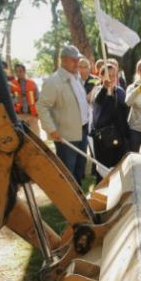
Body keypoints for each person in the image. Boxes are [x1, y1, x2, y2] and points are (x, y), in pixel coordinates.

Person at [36, 45, 91, 185]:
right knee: (68, 172)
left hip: (82, 131)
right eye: (73, 60)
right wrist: (52, 129)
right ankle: (69, 203)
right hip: (66, 136)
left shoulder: (76, 78)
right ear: (63, 61)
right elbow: (42, 106)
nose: (77, 62)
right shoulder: (54, 81)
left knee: (79, 169)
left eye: (77, 59)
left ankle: (79, 200)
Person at [90, 64, 129, 181]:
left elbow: (124, 110)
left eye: (113, 76)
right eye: (108, 76)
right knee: (103, 169)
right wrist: (104, 88)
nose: (111, 78)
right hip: (103, 138)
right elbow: (97, 101)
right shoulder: (97, 90)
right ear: (101, 77)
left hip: (119, 136)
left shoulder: (120, 91)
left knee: (118, 167)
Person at [11, 63, 40, 132]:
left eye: (20, 71)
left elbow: (38, 98)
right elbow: (9, 100)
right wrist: (15, 100)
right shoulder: (12, 85)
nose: (18, 73)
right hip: (19, 115)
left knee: (36, 136)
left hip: (32, 114)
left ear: (24, 72)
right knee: (23, 137)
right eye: (16, 71)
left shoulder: (32, 83)